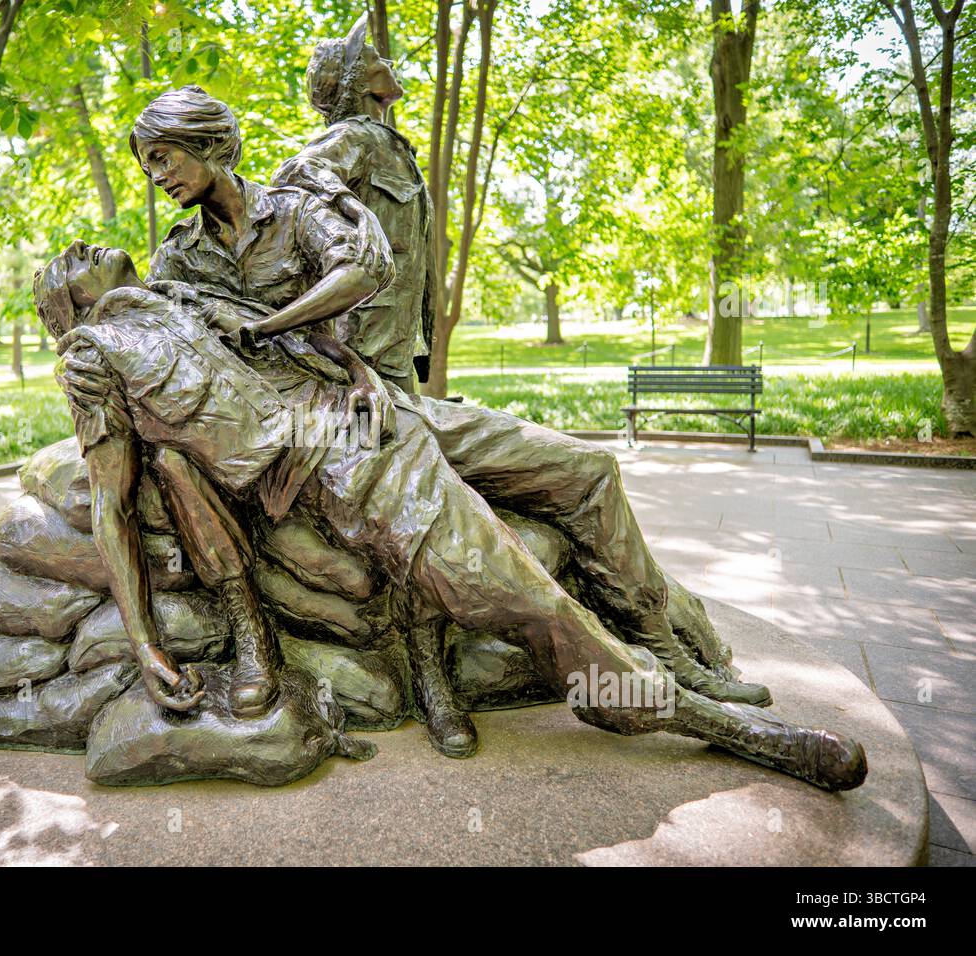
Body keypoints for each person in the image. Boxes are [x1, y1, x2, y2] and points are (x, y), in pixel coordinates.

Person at [35, 87, 868, 792]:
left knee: (584, 471)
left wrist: (333, 356)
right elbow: (168, 425)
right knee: (492, 572)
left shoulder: (296, 208)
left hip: (377, 402)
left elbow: (360, 275)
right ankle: (677, 709)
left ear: (210, 142)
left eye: (163, 159)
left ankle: (667, 646)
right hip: (337, 436)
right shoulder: (168, 273)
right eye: (146, 165)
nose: (157, 180)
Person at [271, 17, 771, 733]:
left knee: (592, 470)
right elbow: (295, 192)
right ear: (354, 84)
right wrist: (346, 250)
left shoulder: (391, 145)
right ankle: (617, 675)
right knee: (491, 518)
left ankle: (663, 646)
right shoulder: (343, 143)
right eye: (372, 58)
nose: (387, 61)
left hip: (412, 396)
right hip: (374, 399)